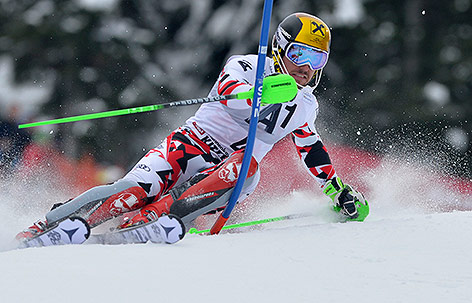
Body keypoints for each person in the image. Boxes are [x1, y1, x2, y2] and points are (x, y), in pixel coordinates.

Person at [16, 12, 369, 240]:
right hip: (192, 143)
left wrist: (337, 190)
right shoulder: (247, 66)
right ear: (280, 49)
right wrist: (264, 92)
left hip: (231, 167)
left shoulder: (306, 104)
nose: (307, 68)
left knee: (248, 168)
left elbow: (311, 148)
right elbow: (231, 96)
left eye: (317, 59)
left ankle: (158, 218)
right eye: (300, 55)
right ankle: (59, 222)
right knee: (134, 188)